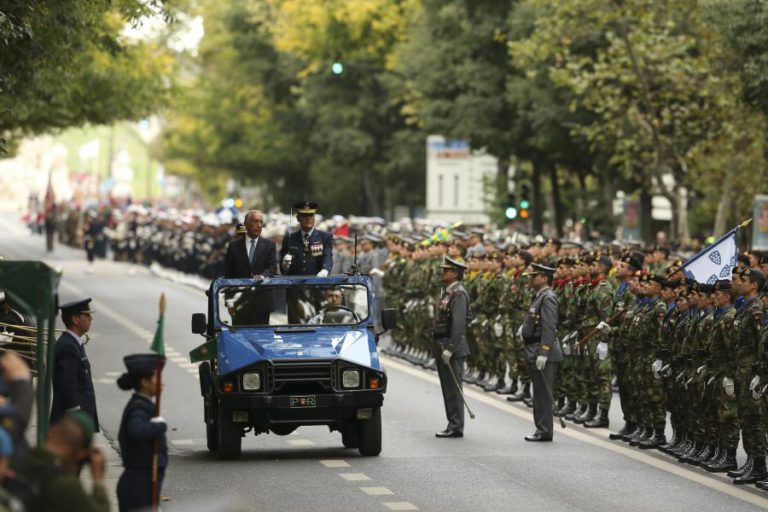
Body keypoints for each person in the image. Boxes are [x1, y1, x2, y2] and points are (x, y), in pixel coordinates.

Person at [5, 412, 109, 512]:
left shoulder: (13, 460)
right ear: (80, 453)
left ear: (51, 431)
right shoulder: (65, 484)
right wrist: (98, 480)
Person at [116, 353, 168, 512]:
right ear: (145, 382)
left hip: (144, 484)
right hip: (138, 487)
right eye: (157, 378)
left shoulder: (143, 404)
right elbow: (136, 431)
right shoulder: (139, 407)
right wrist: (159, 426)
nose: (162, 382)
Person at [521, 263, 561, 442]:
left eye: (534, 276)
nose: (530, 279)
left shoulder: (548, 297)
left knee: (543, 394)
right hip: (535, 349)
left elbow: (549, 327)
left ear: (544, 278)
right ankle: (541, 428)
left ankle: (544, 430)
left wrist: (544, 352)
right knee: (538, 392)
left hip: (542, 351)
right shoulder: (539, 296)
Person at [433, 257, 471, 438]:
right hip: (442, 344)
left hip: (451, 347)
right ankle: (453, 423)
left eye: (446, 271)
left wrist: (450, 348)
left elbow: (459, 323)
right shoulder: (449, 293)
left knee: (453, 388)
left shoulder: (458, 294)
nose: (443, 273)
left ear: (455, 273)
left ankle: (456, 425)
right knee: (447, 387)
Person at [50, 299, 98, 430]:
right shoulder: (68, 346)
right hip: (71, 422)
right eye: (87, 315)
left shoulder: (74, 343)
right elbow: (67, 383)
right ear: (75, 319)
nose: (91, 318)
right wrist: (77, 415)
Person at [279, 201, 333, 276]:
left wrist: (325, 269)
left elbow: (327, 256)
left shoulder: (325, 237)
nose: (308, 218)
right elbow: (282, 269)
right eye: (304, 215)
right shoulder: (289, 239)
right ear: (298, 218)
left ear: (314, 217)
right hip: (295, 285)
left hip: (318, 284)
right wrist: (284, 265)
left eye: (311, 215)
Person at [224, 210, 277, 279]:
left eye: (261, 222)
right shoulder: (233, 246)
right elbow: (228, 272)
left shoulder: (269, 245)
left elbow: (272, 267)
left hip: (262, 288)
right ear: (246, 224)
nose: (259, 225)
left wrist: (262, 276)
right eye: (255, 221)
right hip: (239, 288)